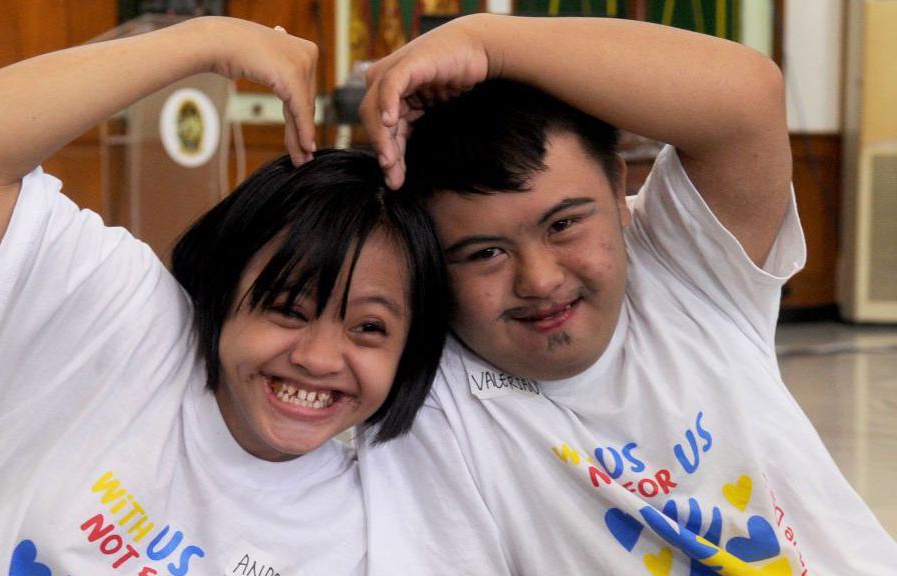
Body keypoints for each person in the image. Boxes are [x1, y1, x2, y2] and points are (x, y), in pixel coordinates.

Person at [0, 17, 448, 575]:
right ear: (226, 288)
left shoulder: (360, 531)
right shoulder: (121, 319)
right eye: (287, 308)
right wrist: (206, 40)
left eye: (369, 329)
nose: (318, 359)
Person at [356, 13, 897, 574]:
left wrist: (485, 41)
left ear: (619, 191)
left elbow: (748, 98)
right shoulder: (431, 402)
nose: (539, 280)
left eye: (564, 224)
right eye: (484, 253)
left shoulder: (681, 272)